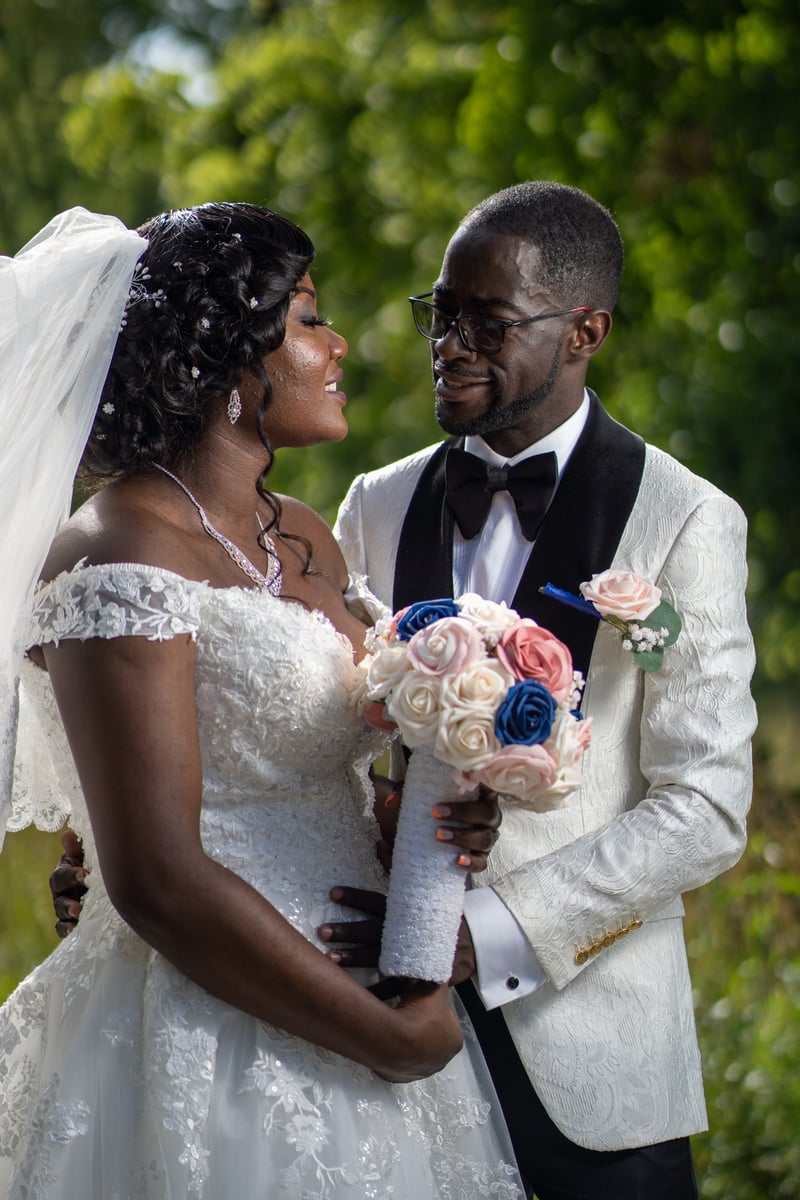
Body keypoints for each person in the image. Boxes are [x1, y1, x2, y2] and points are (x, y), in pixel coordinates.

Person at [0, 204, 524, 1198]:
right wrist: (383, 1034)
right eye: (308, 320)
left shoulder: (305, 536)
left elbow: (307, 767)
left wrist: (429, 816)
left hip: (369, 977)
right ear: (227, 357)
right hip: (215, 1021)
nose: (336, 349)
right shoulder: (120, 551)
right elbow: (154, 870)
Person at [327, 181, 758, 1199]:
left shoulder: (688, 520)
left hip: (592, 1050)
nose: (450, 343)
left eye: (487, 321)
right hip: (381, 1029)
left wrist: (495, 933)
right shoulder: (374, 505)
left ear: (584, 331)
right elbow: (333, 729)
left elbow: (704, 810)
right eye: (440, 312)